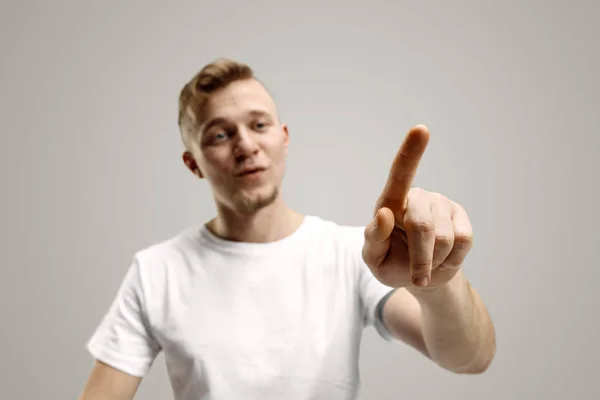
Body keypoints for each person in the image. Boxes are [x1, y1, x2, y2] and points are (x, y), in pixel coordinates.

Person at [78, 58, 496, 400]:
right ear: (193, 163)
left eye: (259, 125)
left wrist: (436, 284)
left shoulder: (352, 253)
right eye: (220, 134)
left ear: (284, 137)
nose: (245, 145)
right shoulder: (157, 271)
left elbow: (469, 358)